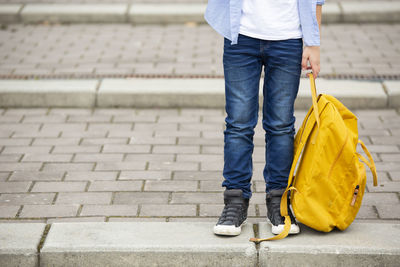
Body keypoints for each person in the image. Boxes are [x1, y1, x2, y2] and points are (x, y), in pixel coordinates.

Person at [205, 0, 324, 236]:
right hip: (241, 35)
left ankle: (279, 202)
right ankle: (235, 202)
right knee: (238, 124)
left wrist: (313, 42)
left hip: (289, 37)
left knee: (281, 125)